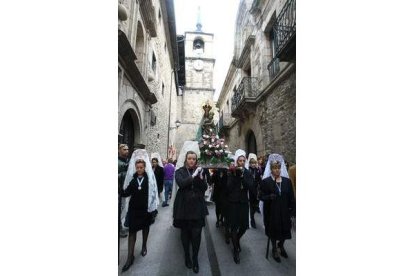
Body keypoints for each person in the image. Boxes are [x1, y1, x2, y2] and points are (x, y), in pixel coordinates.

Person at [120, 150, 159, 272]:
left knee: (145, 228)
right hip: (134, 210)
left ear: (145, 168)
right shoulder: (133, 179)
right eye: (137, 167)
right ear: (135, 168)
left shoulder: (149, 180)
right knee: (132, 232)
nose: (139, 169)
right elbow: (127, 193)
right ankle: (129, 257)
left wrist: (152, 208)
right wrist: (120, 190)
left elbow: (153, 194)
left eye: (141, 167)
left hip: (145, 210)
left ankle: (144, 246)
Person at [173, 150, 208, 274]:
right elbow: (181, 184)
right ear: (186, 159)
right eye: (189, 158)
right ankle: (187, 256)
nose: (192, 161)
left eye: (194, 159)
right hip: (183, 207)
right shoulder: (179, 171)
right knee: (185, 234)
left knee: (197, 234)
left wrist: (202, 178)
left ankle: (195, 258)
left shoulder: (200, 171)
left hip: (197, 206)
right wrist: (193, 176)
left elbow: (204, 188)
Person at [260, 155, 295, 263]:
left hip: (284, 211)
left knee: (285, 230)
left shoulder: (287, 181)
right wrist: (269, 197)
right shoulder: (266, 182)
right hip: (272, 211)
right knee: (273, 231)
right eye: (275, 168)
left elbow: (291, 197)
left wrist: (293, 210)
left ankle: (281, 245)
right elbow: (260, 196)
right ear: (271, 169)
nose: (277, 170)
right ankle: (274, 248)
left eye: (278, 168)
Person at [226, 149, 253, 264]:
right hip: (233, 203)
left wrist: (242, 176)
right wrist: (235, 175)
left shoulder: (247, 173)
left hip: (243, 203)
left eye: (243, 160)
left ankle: (236, 239)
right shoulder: (231, 172)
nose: (241, 162)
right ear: (237, 161)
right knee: (233, 226)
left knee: (243, 227)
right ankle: (236, 249)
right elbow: (228, 188)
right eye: (239, 160)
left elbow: (250, 186)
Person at [245, 154, 260, 229]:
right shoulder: (248, 170)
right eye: (252, 163)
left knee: (254, 205)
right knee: (250, 205)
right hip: (250, 190)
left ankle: (252, 216)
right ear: (250, 163)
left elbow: (259, 179)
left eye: (254, 163)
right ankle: (251, 219)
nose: (253, 164)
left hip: (256, 190)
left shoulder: (257, 170)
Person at [118, 144, 129, 239]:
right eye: (124, 149)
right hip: (118, 190)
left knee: (122, 209)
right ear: (119, 150)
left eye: (127, 149)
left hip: (124, 190)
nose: (127, 151)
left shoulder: (127, 160)